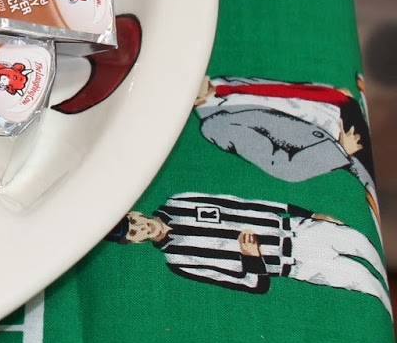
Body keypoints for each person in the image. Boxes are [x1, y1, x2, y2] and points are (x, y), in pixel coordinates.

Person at [107, 191, 390, 311]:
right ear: (134, 243)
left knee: (370, 249)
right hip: (297, 264)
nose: (141, 228)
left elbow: (242, 203)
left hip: (298, 230)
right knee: (371, 287)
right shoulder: (178, 261)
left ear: (135, 213)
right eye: (133, 233)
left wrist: (309, 214)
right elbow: (254, 286)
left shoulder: (179, 201)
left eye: (134, 222)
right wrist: (251, 258)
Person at [193, 77, 377, 209]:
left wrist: (331, 92)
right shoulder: (216, 124)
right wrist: (339, 150)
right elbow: (282, 166)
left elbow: (283, 91)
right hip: (345, 141)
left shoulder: (221, 82)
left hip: (342, 105)